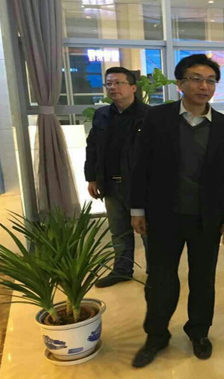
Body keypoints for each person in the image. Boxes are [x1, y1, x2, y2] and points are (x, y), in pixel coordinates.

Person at [129, 54, 224, 368]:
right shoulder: (157, 118)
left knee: (203, 280)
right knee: (160, 279)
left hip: (207, 218)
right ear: (180, 83)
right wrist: (137, 209)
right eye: (196, 79)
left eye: (210, 81)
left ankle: (199, 332)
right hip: (163, 215)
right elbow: (140, 166)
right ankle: (156, 335)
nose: (204, 86)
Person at [84, 67, 149, 288]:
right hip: (110, 184)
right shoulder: (102, 115)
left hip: (141, 186)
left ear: (133, 87)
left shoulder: (149, 116)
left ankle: (156, 273)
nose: (113, 87)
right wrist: (92, 178)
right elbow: (92, 147)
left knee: (148, 231)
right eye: (109, 84)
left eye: (118, 83)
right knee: (119, 231)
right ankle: (122, 270)